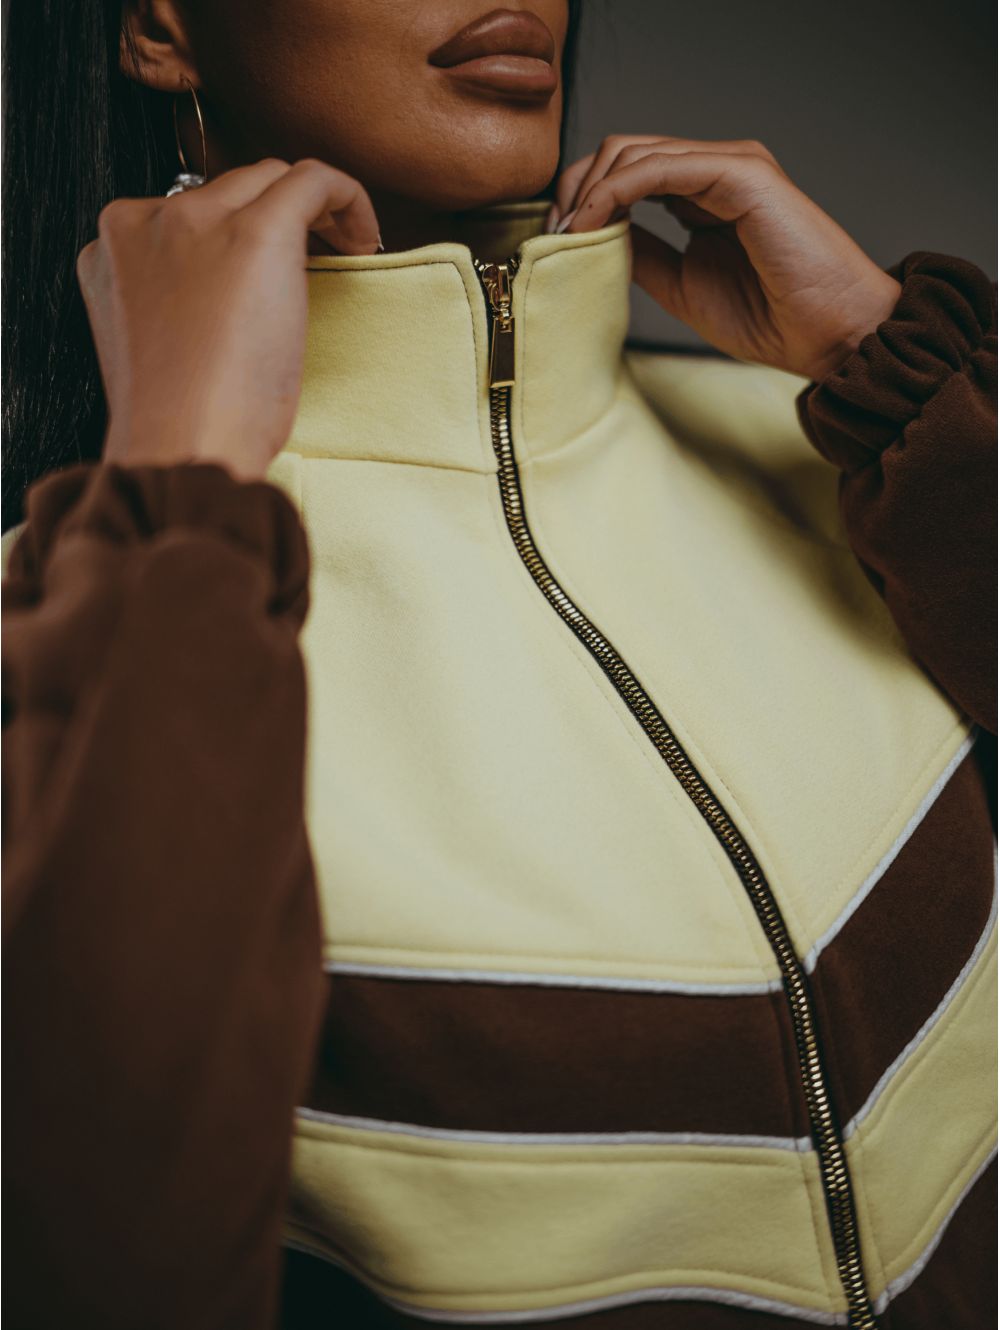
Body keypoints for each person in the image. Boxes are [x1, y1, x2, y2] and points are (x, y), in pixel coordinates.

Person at [2, 2, 996, 1328]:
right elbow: (97, 1266)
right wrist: (179, 487)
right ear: (162, 26)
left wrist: (898, 376)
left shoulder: (860, 466)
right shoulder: (79, 648)